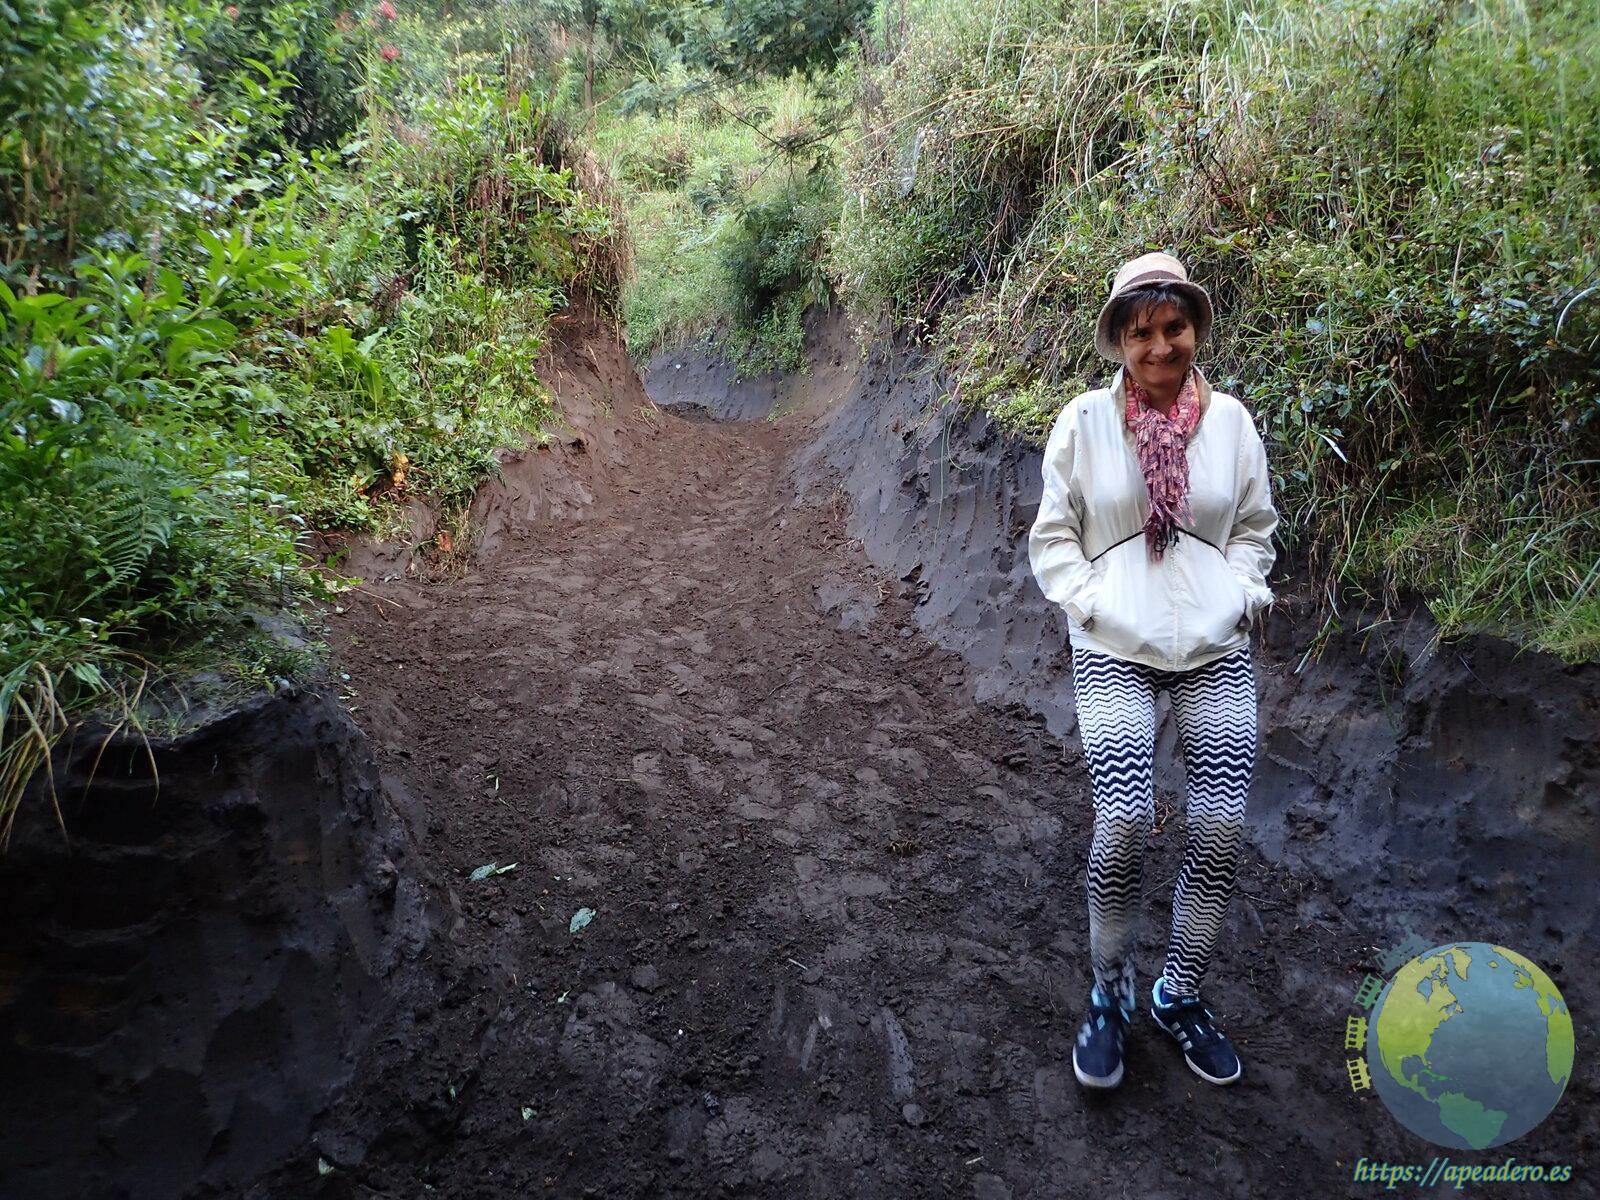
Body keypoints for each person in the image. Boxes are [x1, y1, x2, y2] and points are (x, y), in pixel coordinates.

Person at [1027, 252, 1279, 1090]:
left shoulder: (1234, 425)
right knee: (1126, 820)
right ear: (1119, 340)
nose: (1161, 347)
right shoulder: (1083, 425)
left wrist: (1243, 592)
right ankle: (1110, 995)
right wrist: (1091, 604)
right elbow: (1053, 536)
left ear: (1195, 329)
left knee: (1217, 829)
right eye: (1143, 333)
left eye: (1174, 328)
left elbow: (1252, 525)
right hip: (1115, 645)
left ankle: (1179, 994)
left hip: (1216, 646)